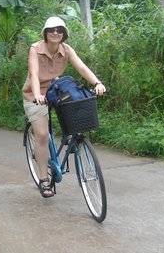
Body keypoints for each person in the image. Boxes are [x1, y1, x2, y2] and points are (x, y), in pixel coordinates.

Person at [22, 16, 106, 198]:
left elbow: (82, 68)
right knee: (43, 135)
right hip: (35, 95)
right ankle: (44, 179)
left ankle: (72, 142)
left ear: (64, 34)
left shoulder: (66, 50)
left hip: (55, 92)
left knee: (76, 114)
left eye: (59, 30)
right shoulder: (35, 49)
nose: (55, 33)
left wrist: (97, 83)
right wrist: (37, 95)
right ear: (45, 32)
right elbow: (34, 74)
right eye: (51, 30)